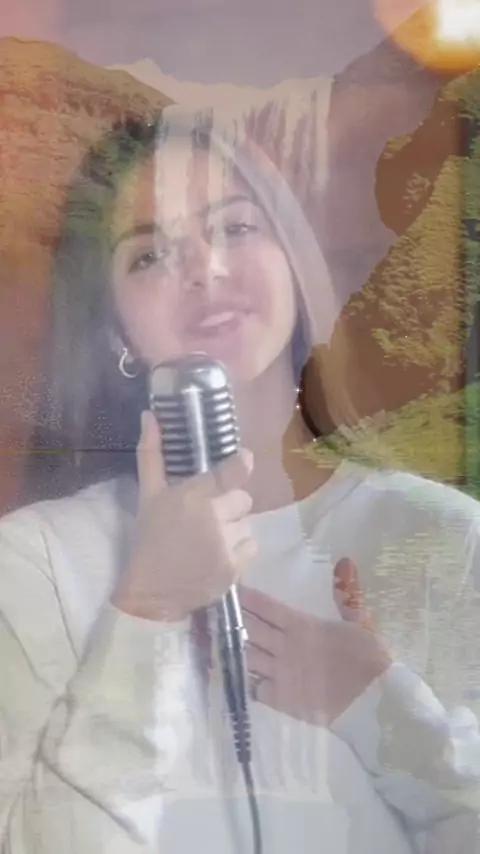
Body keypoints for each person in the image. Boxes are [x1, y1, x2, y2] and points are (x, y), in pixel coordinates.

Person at [1, 103, 480, 854]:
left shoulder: (444, 541)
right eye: (149, 255)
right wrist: (148, 608)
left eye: (234, 227)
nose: (205, 269)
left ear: (292, 259)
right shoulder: (34, 566)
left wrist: (382, 709)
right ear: (114, 325)